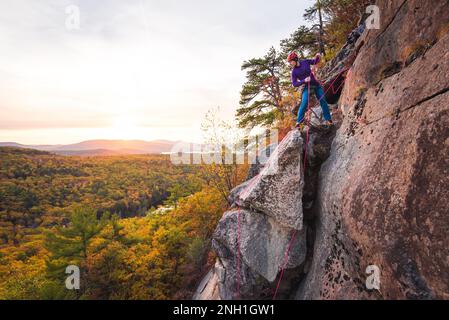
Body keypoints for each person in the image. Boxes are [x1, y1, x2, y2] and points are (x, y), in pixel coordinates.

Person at [288, 52, 333, 128]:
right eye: (289, 62)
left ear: (295, 59)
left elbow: (315, 61)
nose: (290, 64)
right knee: (304, 102)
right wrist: (304, 81)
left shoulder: (305, 62)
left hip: (316, 85)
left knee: (323, 100)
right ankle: (299, 122)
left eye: (290, 61)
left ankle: (328, 119)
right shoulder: (294, 72)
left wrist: (318, 55)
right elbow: (294, 83)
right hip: (306, 87)